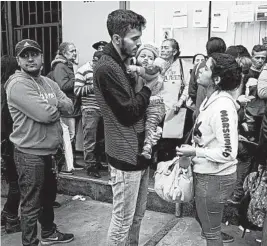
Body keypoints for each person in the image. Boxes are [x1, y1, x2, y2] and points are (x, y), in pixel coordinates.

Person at [93, 9, 160, 245]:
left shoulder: (124, 63)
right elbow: (129, 112)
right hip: (125, 154)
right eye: (135, 38)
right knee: (122, 221)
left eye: (140, 37)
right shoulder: (106, 67)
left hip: (139, 151)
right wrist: (150, 87)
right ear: (117, 39)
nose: (139, 43)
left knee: (137, 217)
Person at [5, 39, 74, 246]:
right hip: (29, 154)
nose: (30, 59)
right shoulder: (17, 84)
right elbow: (46, 115)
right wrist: (54, 103)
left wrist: (52, 103)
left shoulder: (48, 82)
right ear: (18, 60)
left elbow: (70, 106)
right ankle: (30, 242)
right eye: (24, 56)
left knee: (47, 199)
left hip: (50, 152)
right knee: (31, 204)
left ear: (42, 57)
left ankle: (49, 232)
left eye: (34, 54)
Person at [177, 53, 242, 246]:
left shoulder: (222, 106)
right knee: (207, 227)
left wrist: (195, 152)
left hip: (214, 178)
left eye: (206, 67)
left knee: (211, 233)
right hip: (206, 174)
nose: (200, 69)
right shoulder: (210, 100)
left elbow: (228, 152)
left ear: (217, 79)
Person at [127, 43, 165, 159]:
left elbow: (149, 74)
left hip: (154, 105)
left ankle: (147, 147)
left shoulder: (153, 71)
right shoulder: (133, 72)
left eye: (150, 58)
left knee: (150, 125)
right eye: (143, 56)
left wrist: (136, 68)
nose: (146, 59)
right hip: (139, 107)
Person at [50, 42, 84, 171]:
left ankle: (71, 162)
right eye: (71, 51)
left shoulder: (68, 66)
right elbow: (63, 86)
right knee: (68, 135)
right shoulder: (60, 66)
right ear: (63, 53)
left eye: (75, 50)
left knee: (72, 135)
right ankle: (64, 164)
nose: (75, 53)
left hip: (73, 107)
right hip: (67, 108)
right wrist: (77, 77)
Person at [74, 50, 106, 178]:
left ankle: (97, 162)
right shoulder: (83, 70)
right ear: (94, 61)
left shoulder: (104, 70)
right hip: (89, 109)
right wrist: (94, 86)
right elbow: (77, 90)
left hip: (103, 109)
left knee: (100, 139)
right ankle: (90, 166)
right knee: (90, 139)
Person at [1, 55, 21, 234]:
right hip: (11, 144)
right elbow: (8, 121)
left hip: (5, 145)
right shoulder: (10, 91)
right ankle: (12, 220)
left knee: (15, 184)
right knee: (17, 185)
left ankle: (6, 214)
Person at [188, 37, 226, 119]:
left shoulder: (199, 65)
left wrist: (198, 102)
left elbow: (192, 90)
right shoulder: (227, 66)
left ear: (207, 50)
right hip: (220, 109)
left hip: (201, 104)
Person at [241, 45, 267, 142]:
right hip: (250, 115)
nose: (260, 60)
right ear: (252, 57)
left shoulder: (265, 73)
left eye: (263, 58)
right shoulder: (246, 74)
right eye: (257, 58)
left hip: (263, 113)